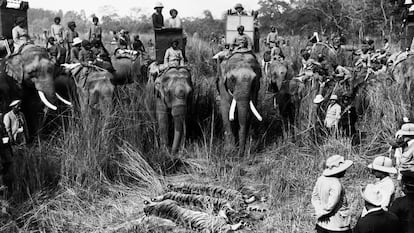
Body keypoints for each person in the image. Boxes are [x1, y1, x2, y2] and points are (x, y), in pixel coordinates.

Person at [311, 154, 353, 233]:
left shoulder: (321, 179)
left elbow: (314, 198)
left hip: (322, 224)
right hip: (337, 226)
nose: (345, 171)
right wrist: (322, 213)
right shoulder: (336, 184)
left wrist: (319, 210)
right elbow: (331, 204)